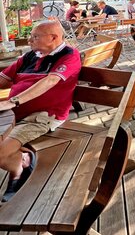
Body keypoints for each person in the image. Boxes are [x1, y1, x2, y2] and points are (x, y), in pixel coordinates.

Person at [0, 21, 81, 201]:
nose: (30, 40)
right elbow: (3, 79)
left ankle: (21, 164)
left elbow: (50, 81)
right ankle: (23, 162)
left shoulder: (69, 55)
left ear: (53, 37)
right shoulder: (30, 56)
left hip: (43, 115)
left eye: (35, 36)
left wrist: (13, 101)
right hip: (13, 114)